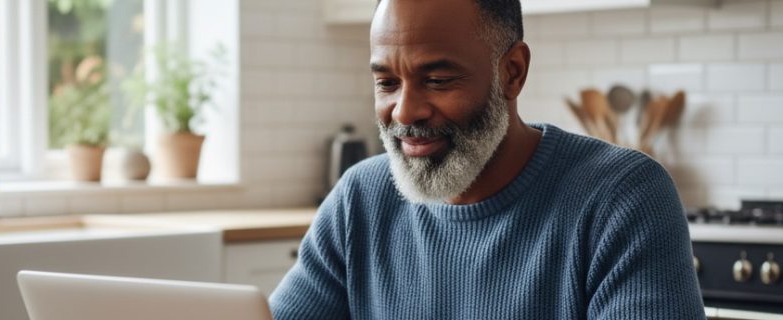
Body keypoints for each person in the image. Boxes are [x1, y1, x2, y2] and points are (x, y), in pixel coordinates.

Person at [268, 0, 706, 319]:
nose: (404, 111)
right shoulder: (360, 198)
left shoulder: (622, 197)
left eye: (437, 80)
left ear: (511, 72)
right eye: (386, 82)